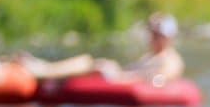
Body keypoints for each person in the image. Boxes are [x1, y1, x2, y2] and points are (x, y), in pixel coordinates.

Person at [14, 13, 184, 83]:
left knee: (93, 64)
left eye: (157, 34)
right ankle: (42, 66)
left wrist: (122, 77)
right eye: (152, 33)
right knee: (88, 60)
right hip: (122, 76)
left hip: (124, 79)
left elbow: (161, 79)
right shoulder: (150, 57)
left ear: (168, 37)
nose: (153, 38)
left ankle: (41, 71)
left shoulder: (171, 59)